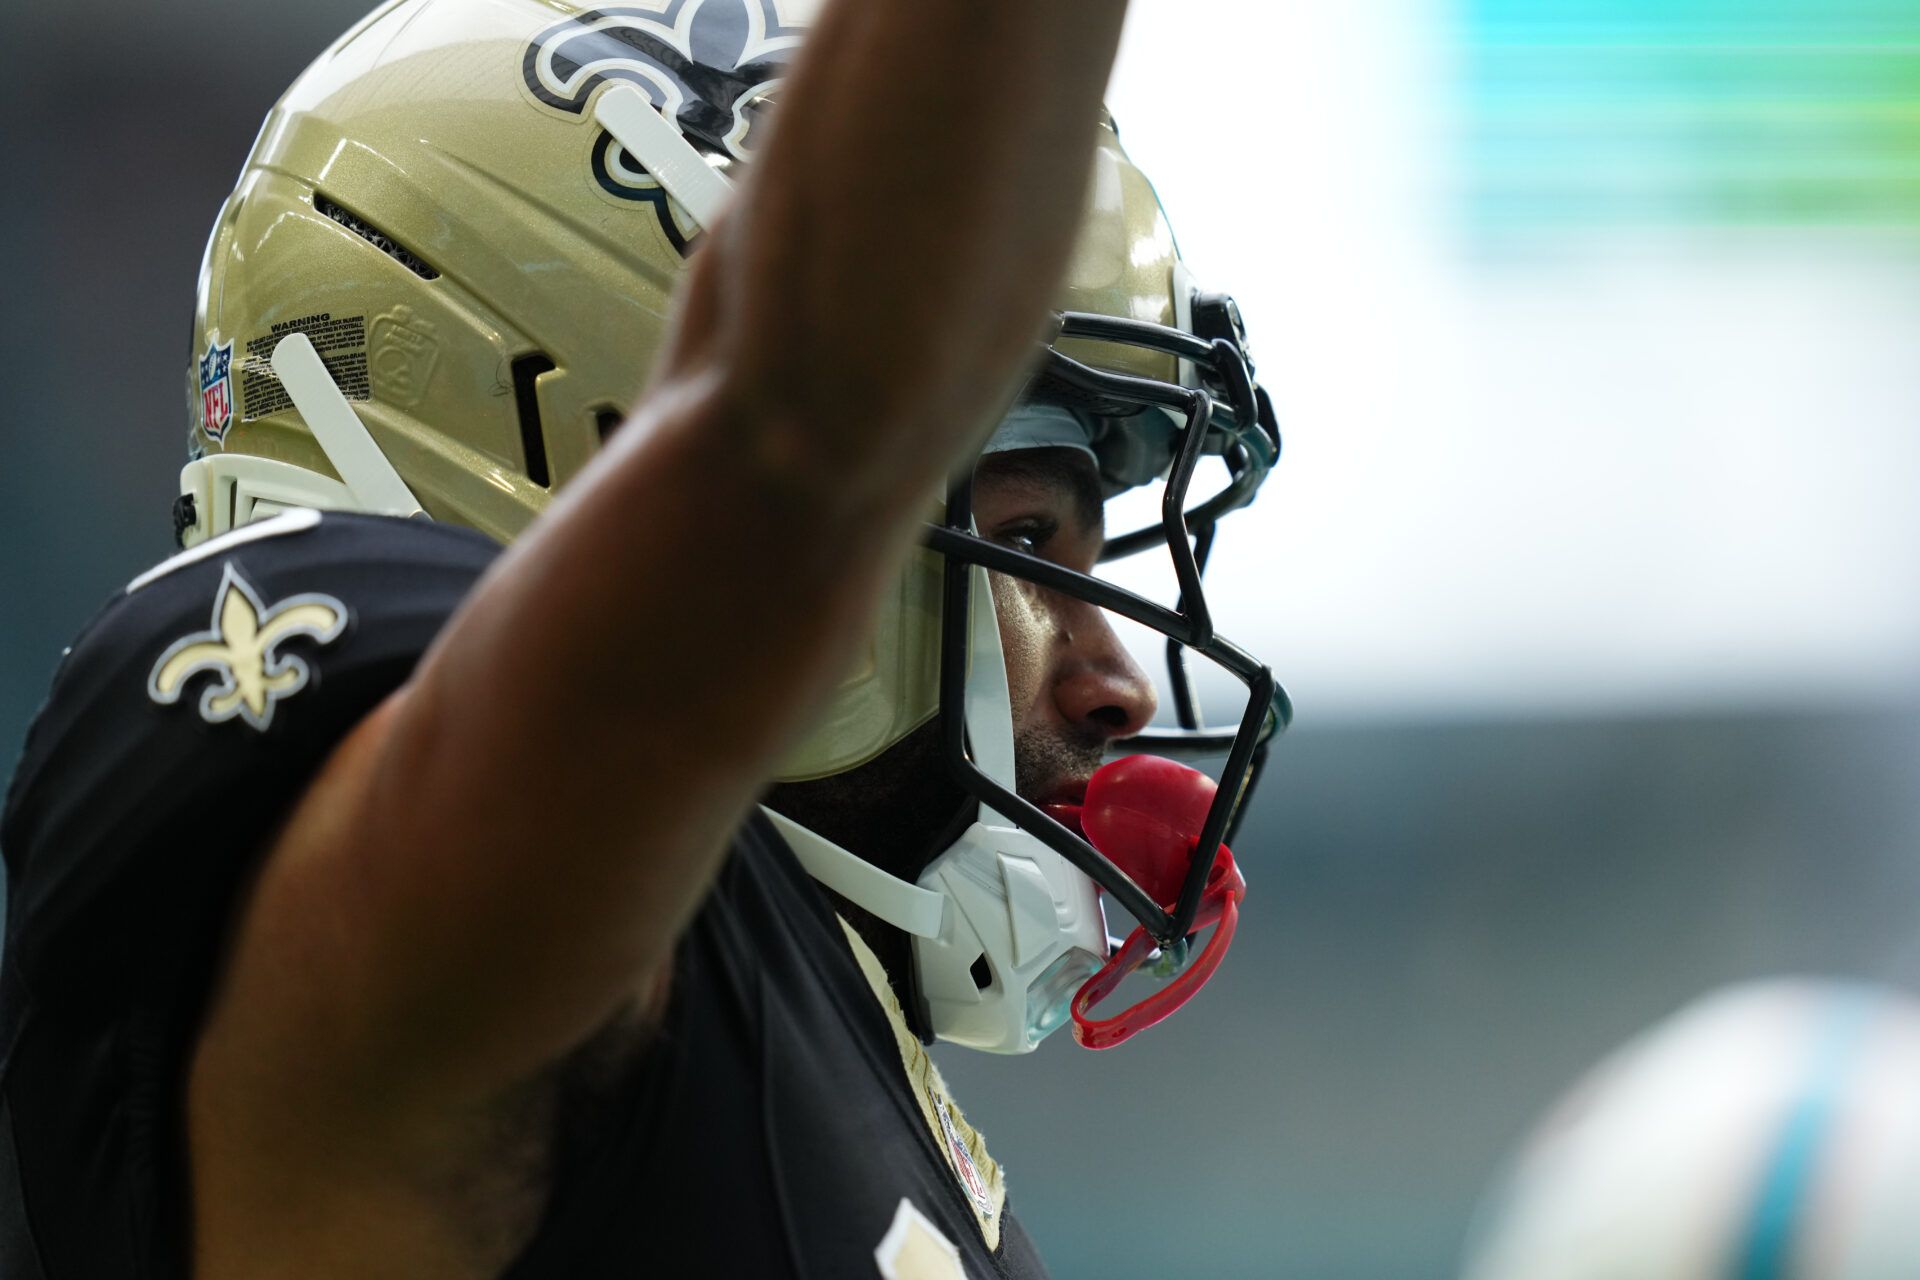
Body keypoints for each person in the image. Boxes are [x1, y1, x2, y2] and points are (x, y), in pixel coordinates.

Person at [0, 0, 1286, 1275]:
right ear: (589, 437)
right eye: (1021, 541)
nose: (1115, 680)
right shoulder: (394, 883)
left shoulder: (803, 1013)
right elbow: (803, 426)